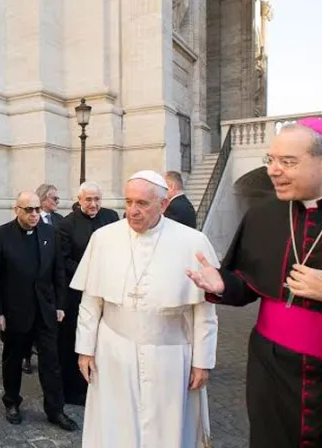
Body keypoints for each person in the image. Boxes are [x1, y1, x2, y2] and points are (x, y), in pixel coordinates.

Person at [187, 117, 322, 447]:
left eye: (287, 162)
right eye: (270, 160)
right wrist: (222, 284)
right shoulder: (262, 214)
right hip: (270, 366)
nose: (274, 170)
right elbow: (248, 282)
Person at [72, 170, 218, 447]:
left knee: (166, 428)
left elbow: (204, 311)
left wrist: (203, 361)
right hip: (113, 350)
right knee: (116, 425)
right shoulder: (103, 238)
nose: (132, 211)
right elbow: (91, 301)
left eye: (142, 204)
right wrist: (85, 349)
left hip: (171, 354)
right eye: (128, 202)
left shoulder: (193, 242)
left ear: (163, 204)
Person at [0, 191, 78, 431]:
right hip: (15, 311)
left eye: (37, 209)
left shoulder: (50, 233)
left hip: (45, 310)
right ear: (17, 210)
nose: (35, 214)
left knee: (51, 361)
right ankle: (12, 402)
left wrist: (59, 305)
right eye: (29, 210)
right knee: (13, 359)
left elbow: (58, 272)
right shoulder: (1, 235)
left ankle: (55, 410)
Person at [56, 181, 118, 405]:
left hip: (107, 289)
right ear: (79, 200)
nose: (93, 204)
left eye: (97, 199)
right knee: (75, 339)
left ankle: (102, 385)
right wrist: (89, 274)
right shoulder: (66, 225)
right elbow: (62, 260)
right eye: (89, 199)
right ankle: (74, 390)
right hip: (77, 292)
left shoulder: (111, 217)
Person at [20, 183, 64, 375]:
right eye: (54, 198)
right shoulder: (28, 220)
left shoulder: (60, 220)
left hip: (50, 283)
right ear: (44, 199)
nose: (57, 202)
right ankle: (26, 356)